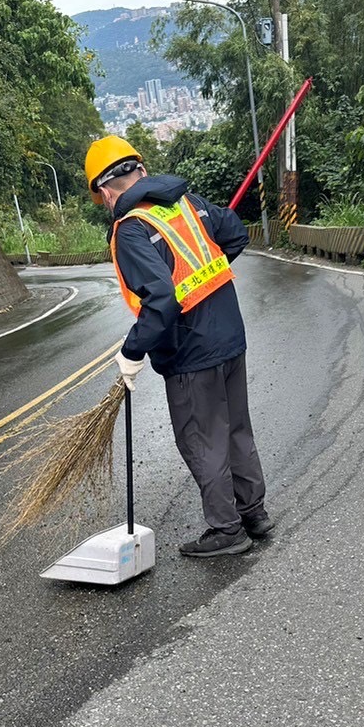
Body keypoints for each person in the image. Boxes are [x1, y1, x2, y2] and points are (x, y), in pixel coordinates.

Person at [84, 135, 271, 558]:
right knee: (236, 428)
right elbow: (236, 235)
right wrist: (208, 281)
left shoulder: (131, 229)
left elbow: (162, 300)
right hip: (230, 335)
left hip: (190, 352)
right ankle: (253, 513)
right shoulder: (189, 203)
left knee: (203, 439)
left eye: (102, 198)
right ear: (141, 171)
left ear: (106, 190)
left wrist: (132, 353)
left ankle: (227, 530)